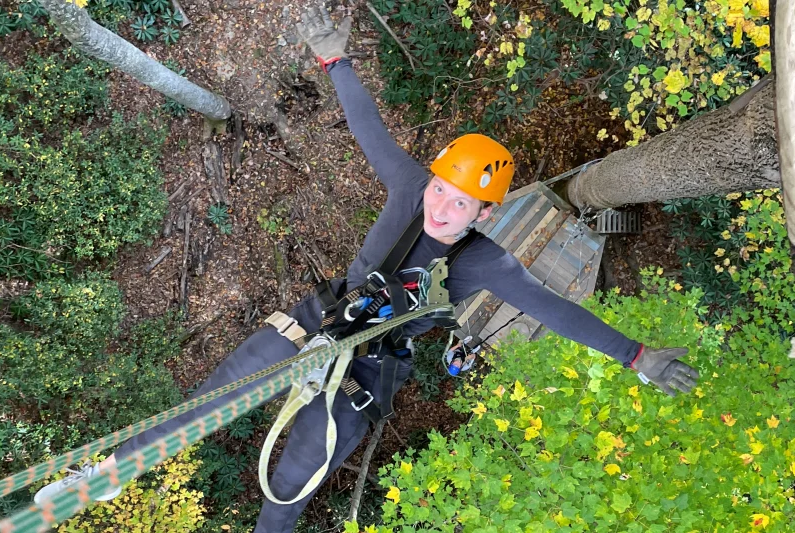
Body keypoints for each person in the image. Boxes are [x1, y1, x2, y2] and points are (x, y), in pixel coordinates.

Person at [34, 6, 700, 531]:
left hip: (365, 368)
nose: (441, 205)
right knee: (211, 399)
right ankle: (106, 475)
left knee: (292, 482)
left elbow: (558, 310)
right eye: (442, 188)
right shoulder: (411, 186)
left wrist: (635, 354)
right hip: (315, 322)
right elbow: (367, 128)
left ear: (484, 213)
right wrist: (335, 58)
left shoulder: (485, 262)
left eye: (461, 201)